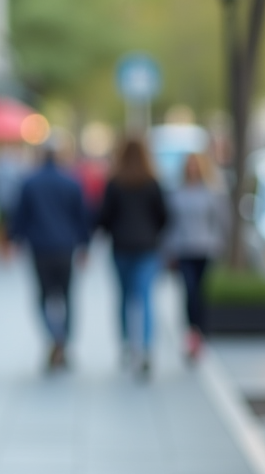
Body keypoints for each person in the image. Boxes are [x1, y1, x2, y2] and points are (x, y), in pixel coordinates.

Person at [7, 142, 90, 371]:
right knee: (67, 297)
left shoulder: (30, 182)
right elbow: (82, 217)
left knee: (43, 297)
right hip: (65, 248)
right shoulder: (71, 182)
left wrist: (13, 241)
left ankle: (54, 337)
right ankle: (63, 340)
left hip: (40, 248)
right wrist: (85, 245)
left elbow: (20, 216)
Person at [96, 136, 168, 377]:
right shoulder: (153, 182)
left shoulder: (115, 183)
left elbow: (104, 217)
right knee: (145, 297)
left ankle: (127, 345)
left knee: (124, 298)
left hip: (122, 247)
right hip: (147, 247)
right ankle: (145, 348)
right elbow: (164, 216)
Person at [165, 152, 229, 361]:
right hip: (183, 248)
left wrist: (221, 245)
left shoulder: (211, 192)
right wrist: (168, 248)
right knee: (189, 290)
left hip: (205, 248)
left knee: (201, 292)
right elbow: (169, 223)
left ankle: (200, 332)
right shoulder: (176, 192)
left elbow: (221, 220)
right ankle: (191, 332)